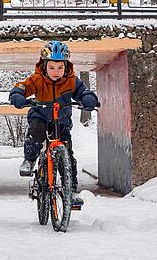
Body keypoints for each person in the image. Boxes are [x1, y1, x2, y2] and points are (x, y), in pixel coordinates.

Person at [9, 41, 98, 206]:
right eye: (51, 67)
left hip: (62, 121)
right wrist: (17, 95)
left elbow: (83, 91)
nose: (56, 72)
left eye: (59, 67)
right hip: (41, 116)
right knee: (36, 132)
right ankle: (29, 159)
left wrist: (88, 99)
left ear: (66, 66)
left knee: (68, 156)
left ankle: (70, 191)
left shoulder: (71, 81)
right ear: (44, 67)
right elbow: (21, 87)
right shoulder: (37, 79)